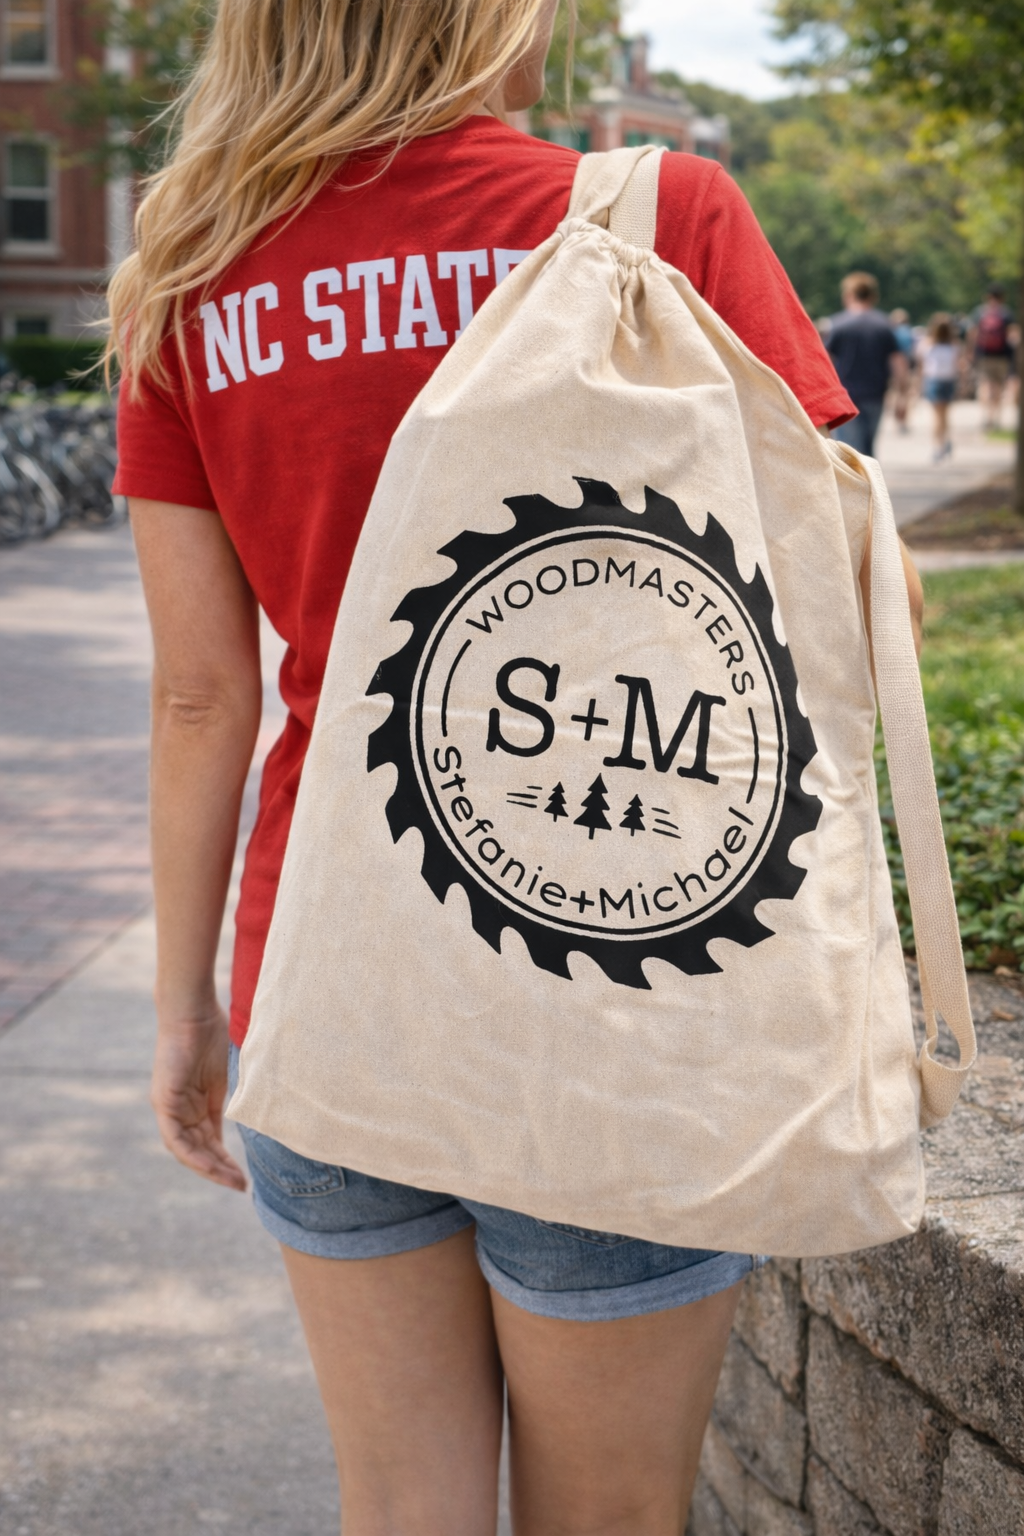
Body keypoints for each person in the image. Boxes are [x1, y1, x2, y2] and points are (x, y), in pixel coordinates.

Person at [106, 2, 917, 1530]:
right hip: (616, 980)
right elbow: (853, 597)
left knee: (399, 1509)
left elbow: (200, 697)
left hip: (323, 984)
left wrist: (185, 1011)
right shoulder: (659, 214)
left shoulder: (193, 273)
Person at [826, 272, 907, 457]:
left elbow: (825, 363)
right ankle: (870, 475)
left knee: (850, 452)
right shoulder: (884, 325)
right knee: (868, 449)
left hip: (845, 397)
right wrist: (902, 397)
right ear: (873, 296)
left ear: (848, 295)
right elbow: (898, 364)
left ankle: (860, 477)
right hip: (875, 395)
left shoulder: (838, 324)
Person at [969, 285, 1015, 430]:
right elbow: (1013, 336)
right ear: (1003, 297)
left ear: (987, 296)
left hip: (984, 355)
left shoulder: (979, 312)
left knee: (985, 385)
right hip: (1002, 356)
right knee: (998, 387)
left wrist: (970, 352)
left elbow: (973, 334)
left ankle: (986, 417)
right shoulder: (1006, 313)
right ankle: (996, 418)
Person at [919, 314, 961, 461]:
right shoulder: (954, 345)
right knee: (945, 414)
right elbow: (957, 364)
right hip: (948, 380)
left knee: (937, 416)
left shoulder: (927, 344)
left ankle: (938, 446)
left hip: (934, 380)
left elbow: (922, 365)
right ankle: (946, 440)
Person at [889, 307, 916, 433]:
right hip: (905, 364)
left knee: (894, 393)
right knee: (904, 394)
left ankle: (896, 419)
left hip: (892, 365)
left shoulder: (891, 332)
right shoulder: (908, 332)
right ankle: (903, 420)